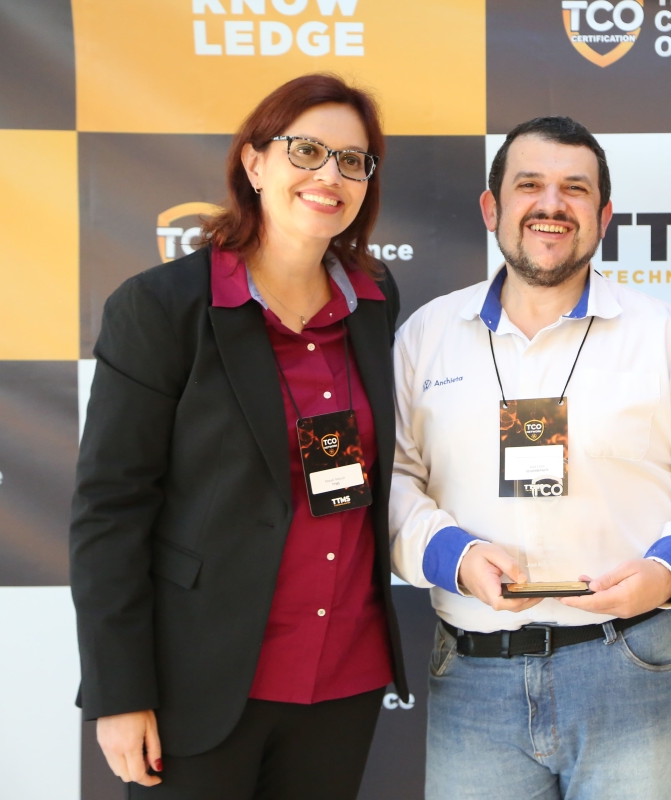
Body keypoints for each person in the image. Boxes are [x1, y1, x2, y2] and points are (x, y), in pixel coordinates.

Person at [389, 116, 671, 799]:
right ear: (491, 207)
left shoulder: (670, 337)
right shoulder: (425, 337)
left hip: (636, 661)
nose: (552, 204)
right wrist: (454, 557)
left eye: (576, 189)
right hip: (475, 674)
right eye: (530, 184)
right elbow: (393, 481)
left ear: (604, 216)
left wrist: (666, 573)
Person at [70, 74, 406, 799]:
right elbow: (109, 511)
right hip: (199, 682)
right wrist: (118, 693)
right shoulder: (162, 308)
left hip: (344, 679)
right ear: (254, 163)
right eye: (306, 151)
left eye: (352, 161)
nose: (329, 176)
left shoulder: (375, 300)